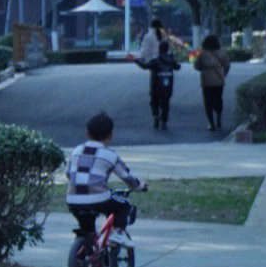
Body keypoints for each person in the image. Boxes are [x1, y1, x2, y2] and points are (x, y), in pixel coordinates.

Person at [66, 111, 147, 245]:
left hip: (72, 199)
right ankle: (119, 233)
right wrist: (139, 186)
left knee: (87, 228)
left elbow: (68, 174)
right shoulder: (110, 155)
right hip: (98, 199)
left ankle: (86, 252)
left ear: (87, 133)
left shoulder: (76, 151)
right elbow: (126, 176)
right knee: (123, 205)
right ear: (111, 135)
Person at [135, 39, 181, 130]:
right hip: (167, 86)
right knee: (165, 104)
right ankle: (163, 121)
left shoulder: (155, 61)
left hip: (155, 86)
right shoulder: (171, 61)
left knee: (154, 102)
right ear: (167, 49)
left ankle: (155, 116)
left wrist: (136, 60)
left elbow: (144, 66)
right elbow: (178, 67)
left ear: (159, 49)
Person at [194, 33, 231, 133]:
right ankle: (218, 119)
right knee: (218, 99)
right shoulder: (222, 53)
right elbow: (227, 65)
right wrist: (223, 74)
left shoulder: (202, 54)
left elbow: (196, 66)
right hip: (219, 80)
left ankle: (211, 124)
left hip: (206, 81)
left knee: (208, 102)